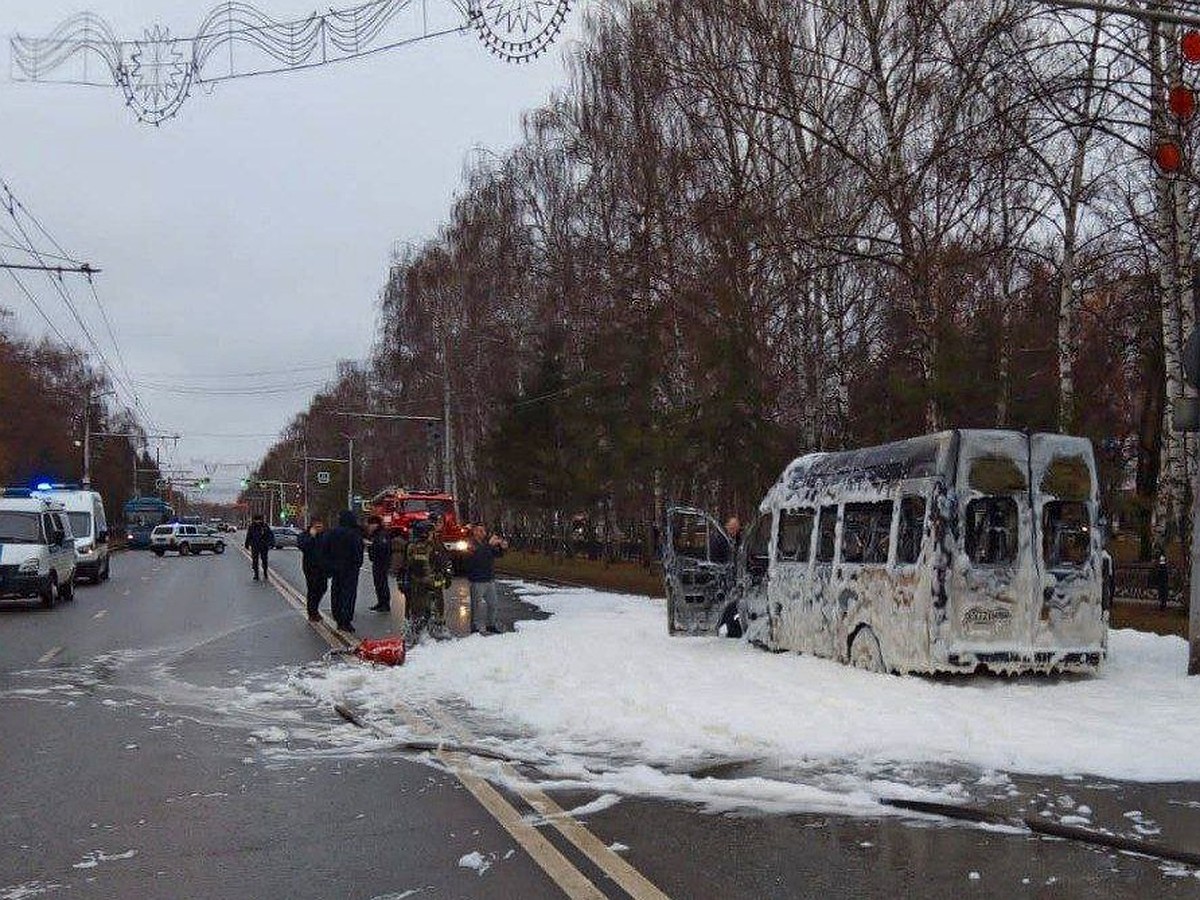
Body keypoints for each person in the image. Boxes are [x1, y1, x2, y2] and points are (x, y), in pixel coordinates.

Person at [405, 518, 450, 640]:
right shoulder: (421, 548)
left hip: (427, 585)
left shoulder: (416, 546)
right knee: (424, 609)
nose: (433, 534)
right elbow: (420, 568)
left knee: (428, 608)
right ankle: (422, 633)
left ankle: (422, 630)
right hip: (425, 585)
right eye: (431, 532)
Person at [323, 510, 364, 632]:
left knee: (337, 593)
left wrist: (328, 566)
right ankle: (345, 620)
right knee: (349, 594)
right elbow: (358, 551)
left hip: (336, 568)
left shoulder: (332, 533)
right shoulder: (354, 534)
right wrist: (357, 564)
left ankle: (338, 617)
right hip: (350, 569)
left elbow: (325, 549)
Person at [465, 524, 508, 634]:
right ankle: (475, 627)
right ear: (474, 532)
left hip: (489, 578)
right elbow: (478, 556)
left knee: (493, 604)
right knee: (477, 606)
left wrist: (502, 548)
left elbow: (496, 554)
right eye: (479, 530)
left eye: (483, 531)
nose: (482, 533)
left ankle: (491, 624)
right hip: (477, 579)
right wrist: (489, 545)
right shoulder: (471, 543)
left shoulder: (485, 544)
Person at [711, 516, 742, 637]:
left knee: (733, 603)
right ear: (727, 527)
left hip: (735, 576)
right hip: (722, 576)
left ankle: (732, 628)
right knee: (727, 604)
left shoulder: (738, 539)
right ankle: (722, 625)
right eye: (732, 528)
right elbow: (715, 559)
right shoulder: (719, 539)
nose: (734, 531)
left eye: (736, 528)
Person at [297, 517, 329, 622]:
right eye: (317, 526)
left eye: (321, 526)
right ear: (312, 526)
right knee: (312, 589)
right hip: (310, 566)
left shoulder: (325, 536)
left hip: (323, 567)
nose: (319, 528)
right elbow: (303, 547)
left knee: (323, 588)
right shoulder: (305, 535)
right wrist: (312, 537)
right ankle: (312, 612)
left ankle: (315, 609)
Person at [366, 515, 392, 612]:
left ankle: (385, 603)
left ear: (375, 524)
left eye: (370, 524)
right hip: (377, 561)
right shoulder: (376, 534)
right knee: (378, 583)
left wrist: (371, 545)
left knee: (382, 583)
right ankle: (380, 602)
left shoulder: (381, 534)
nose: (369, 527)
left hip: (382, 562)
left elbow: (382, 547)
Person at [245, 514, 276, 581]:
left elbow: (270, 535)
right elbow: (249, 536)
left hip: (263, 545)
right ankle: (256, 574)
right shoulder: (252, 526)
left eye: (259, 520)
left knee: (264, 560)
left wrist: (271, 543)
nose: (258, 521)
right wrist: (247, 544)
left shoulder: (264, 526)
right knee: (255, 561)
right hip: (255, 545)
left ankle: (265, 572)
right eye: (257, 520)